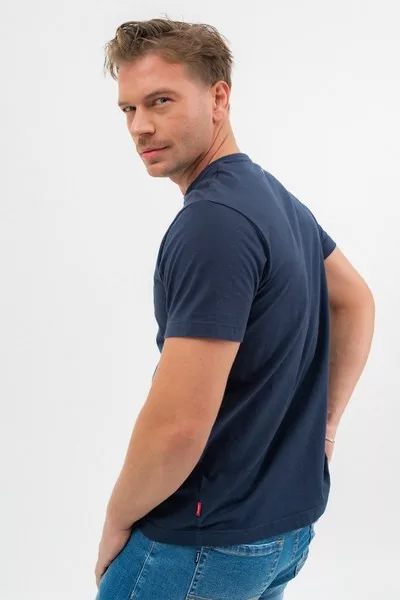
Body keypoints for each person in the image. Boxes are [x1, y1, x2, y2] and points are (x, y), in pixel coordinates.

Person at [94, 18, 375, 599]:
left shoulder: (212, 224)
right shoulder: (273, 199)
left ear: (219, 98)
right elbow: (355, 298)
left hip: (200, 546)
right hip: (282, 534)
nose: (140, 126)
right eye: (128, 109)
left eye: (161, 101)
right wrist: (323, 432)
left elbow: (178, 426)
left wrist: (116, 522)